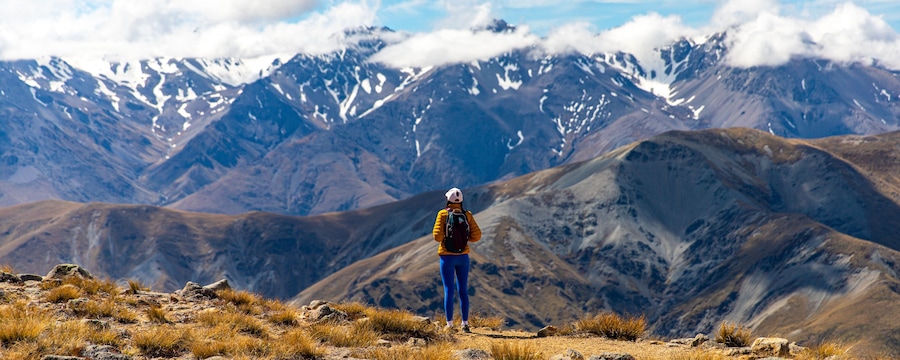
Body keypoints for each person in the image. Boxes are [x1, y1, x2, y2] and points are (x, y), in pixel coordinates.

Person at [433, 187, 481, 333]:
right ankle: (465, 324)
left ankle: (449, 324)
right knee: (463, 290)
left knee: (449, 290)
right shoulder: (467, 215)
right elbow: (476, 236)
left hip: (447, 258)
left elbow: (437, 237)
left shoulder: (442, 214)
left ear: (447, 199)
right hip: (463, 258)